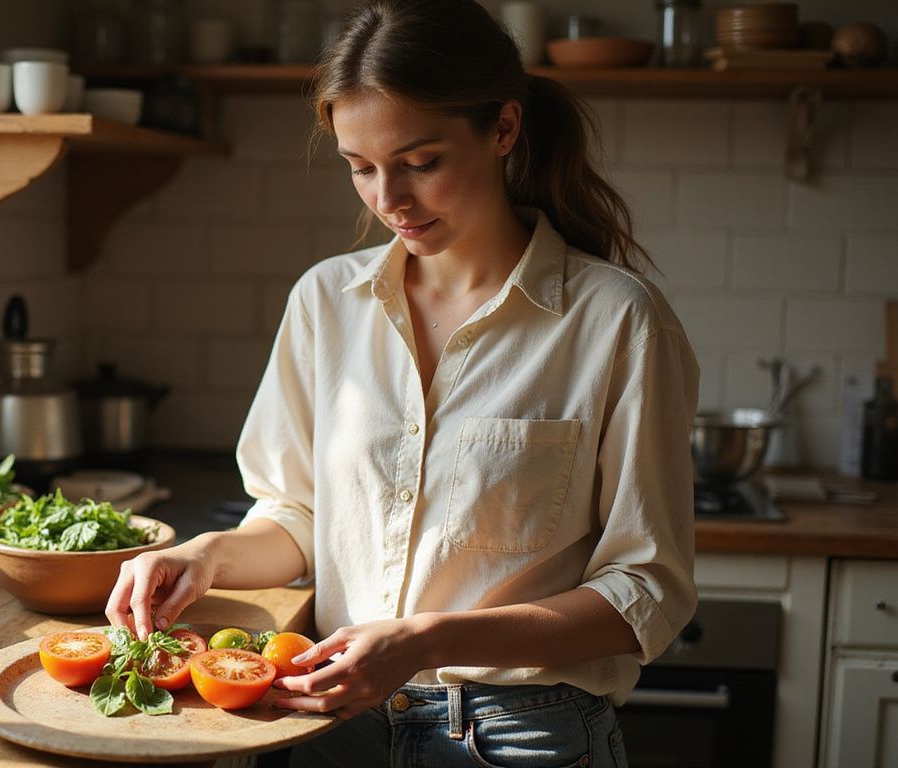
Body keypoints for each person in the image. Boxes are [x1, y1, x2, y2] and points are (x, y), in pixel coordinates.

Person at [105, 1, 698, 765]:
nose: (389, 200)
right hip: (330, 725)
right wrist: (207, 555)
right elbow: (295, 515)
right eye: (361, 168)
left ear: (504, 129)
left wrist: (426, 641)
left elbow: (644, 594)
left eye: (421, 162)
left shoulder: (617, 321)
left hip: (519, 733)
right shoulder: (326, 301)